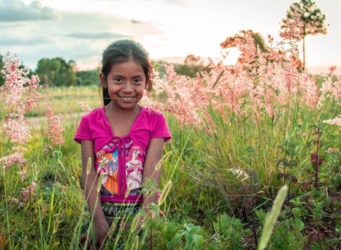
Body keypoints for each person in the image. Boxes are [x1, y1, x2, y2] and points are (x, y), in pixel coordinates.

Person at [74, 39, 171, 248]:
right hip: (100, 213)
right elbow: (89, 174)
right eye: (118, 79)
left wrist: (147, 214)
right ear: (103, 80)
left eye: (136, 80)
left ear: (147, 81)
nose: (128, 89)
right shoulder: (89, 123)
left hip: (140, 210)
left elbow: (151, 173)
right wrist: (97, 219)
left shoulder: (156, 121)